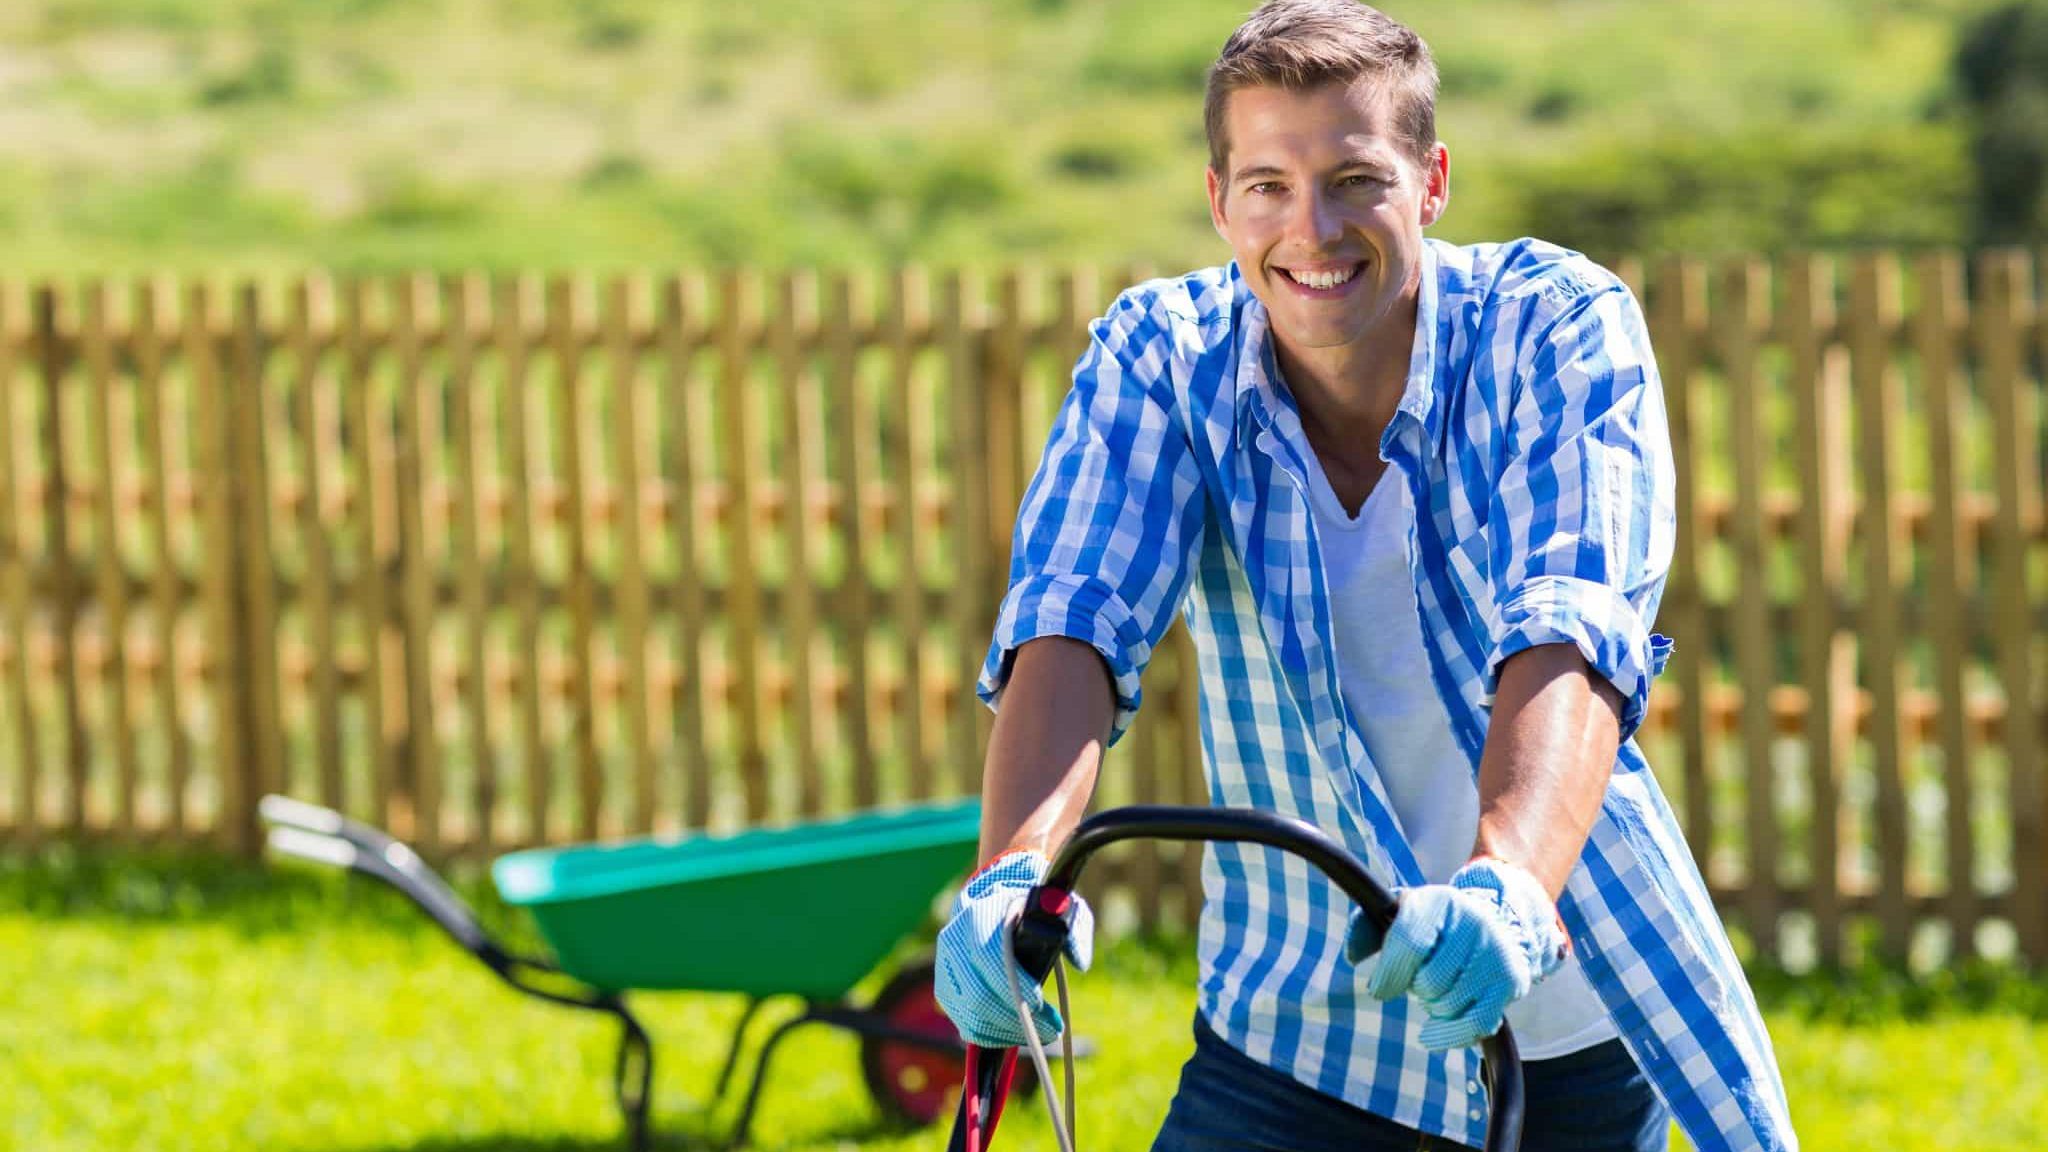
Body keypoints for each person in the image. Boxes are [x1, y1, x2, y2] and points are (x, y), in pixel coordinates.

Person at [933, 1, 1796, 1150]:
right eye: (1267, 187)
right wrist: (1010, 875)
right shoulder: (1157, 357)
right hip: (1293, 1042)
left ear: (1429, 182)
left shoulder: (1554, 329)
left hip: (1554, 1022)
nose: (1312, 231)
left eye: (1353, 179)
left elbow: (1572, 627)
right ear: (1217, 201)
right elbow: (1074, 620)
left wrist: (1505, 889)